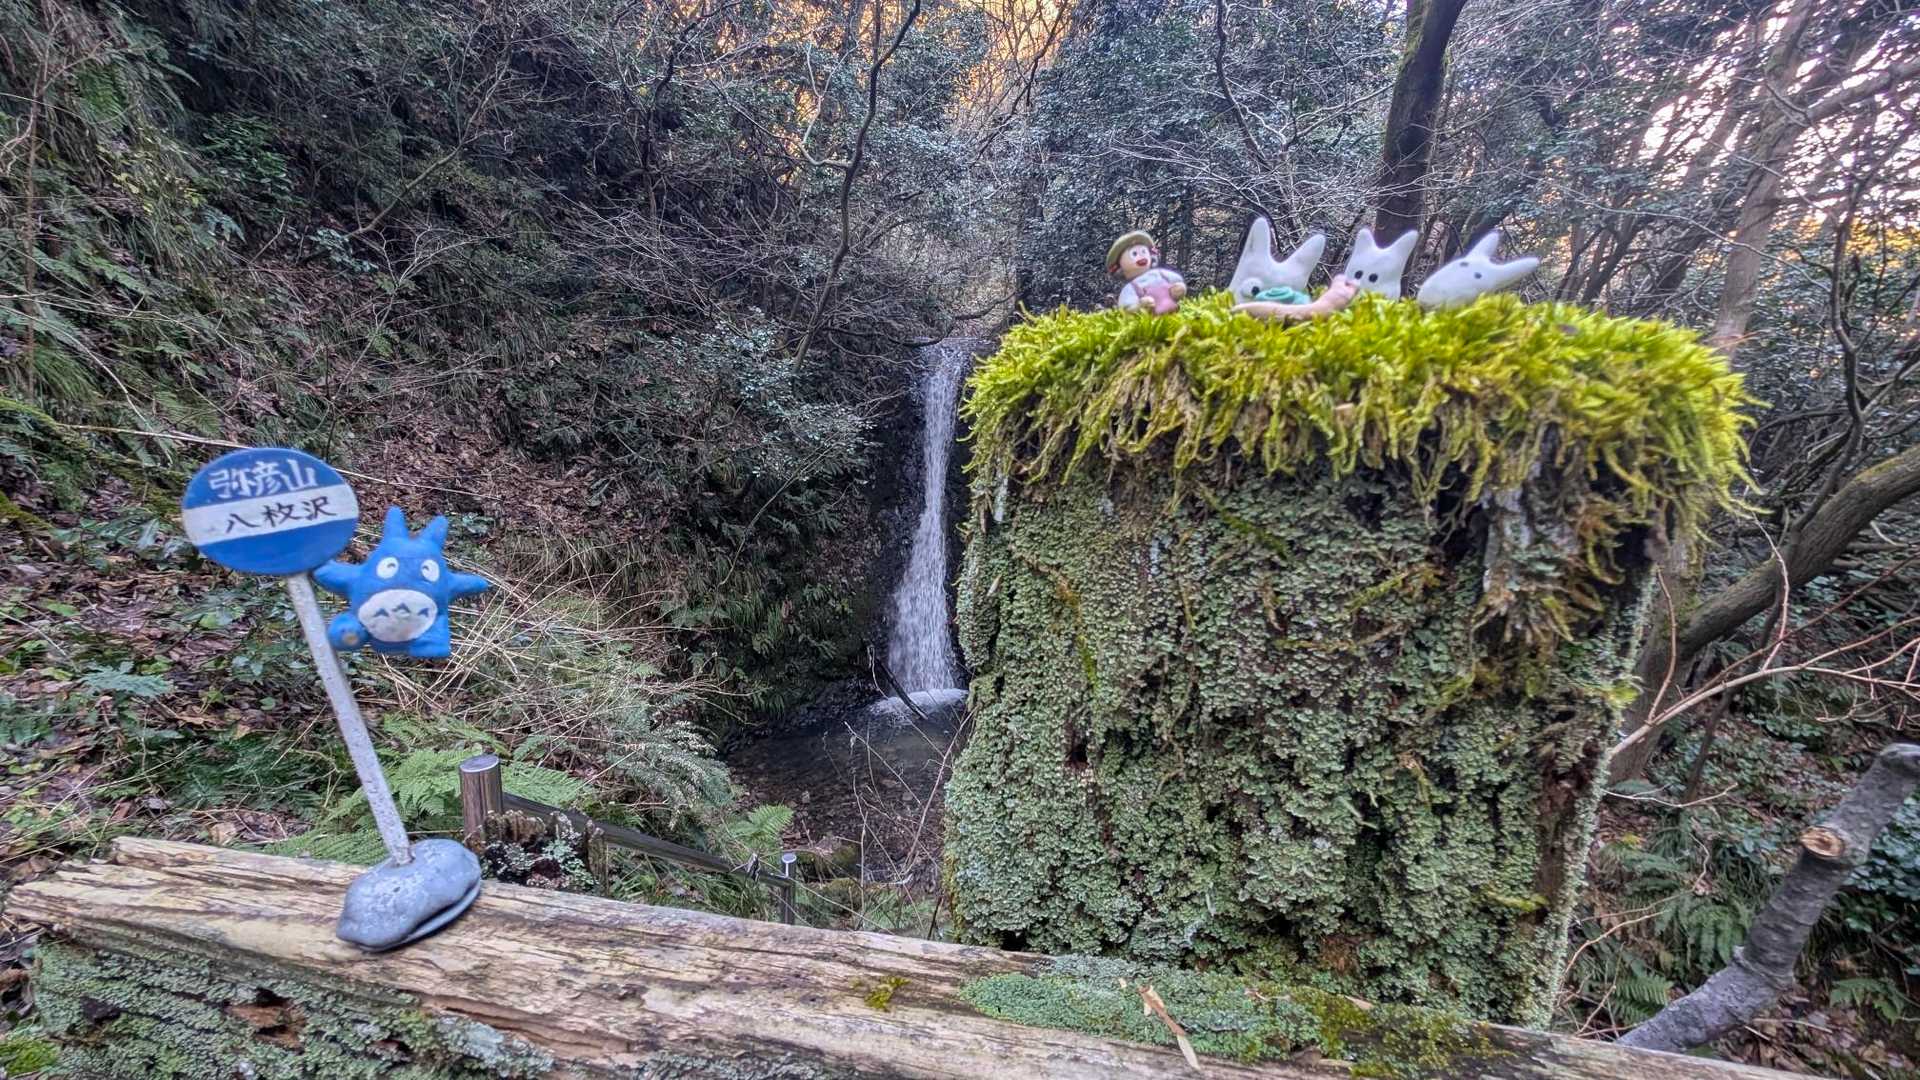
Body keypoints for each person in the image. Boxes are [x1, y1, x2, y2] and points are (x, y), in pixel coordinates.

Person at [1107, 230, 1187, 314]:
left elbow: (1178, 280)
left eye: (1143, 251)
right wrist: (1139, 306)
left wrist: (1179, 288)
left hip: (1174, 312)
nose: (1141, 256)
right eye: (1134, 254)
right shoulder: (1131, 287)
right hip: (1150, 319)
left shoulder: (1160, 273)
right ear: (1120, 266)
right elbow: (1126, 307)